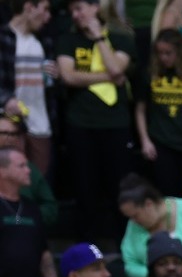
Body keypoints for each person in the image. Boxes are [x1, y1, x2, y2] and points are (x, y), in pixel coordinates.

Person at [55, 0, 136, 247]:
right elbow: (68, 76)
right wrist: (111, 78)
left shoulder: (121, 38)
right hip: (80, 123)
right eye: (72, 11)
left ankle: (125, 244)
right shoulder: (67, 40)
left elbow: (116, 66)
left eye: (79, 9)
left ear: (95, 8)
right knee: (84, 188)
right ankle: (86, 245)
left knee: (119, 187)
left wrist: (99, 38)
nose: (76, 15)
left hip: (116, 123)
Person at [134, 28, 182, 198]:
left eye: (168, 53)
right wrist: (145, 140)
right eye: (160, 53)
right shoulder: (150, 74)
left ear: (179, 51)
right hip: (161, 144)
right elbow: (140, 110)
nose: (163, 57)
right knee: (165, 196)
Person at [0, 147, 60, 277]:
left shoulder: (32, 208)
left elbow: (44, 255)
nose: (29, 170)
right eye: (22, 166)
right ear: (3, 171)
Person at [1, 0, 56, 176]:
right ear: (29, 7)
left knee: (40, 182)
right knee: (11, 183)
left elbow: (51, 85)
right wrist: (6, 100)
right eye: (45, 10)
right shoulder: (3, 38)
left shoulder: (44, 41)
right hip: (10, 124)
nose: (48, 17)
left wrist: (57, 75)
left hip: (41, 124)